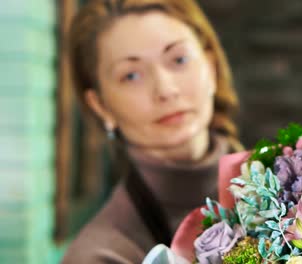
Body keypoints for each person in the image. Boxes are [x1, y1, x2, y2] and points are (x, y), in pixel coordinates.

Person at [62, 0, 243, 263]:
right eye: (131, 76)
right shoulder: (100, 255)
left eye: (179, 59)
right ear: (101, 106)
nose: (165, 90)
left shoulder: (293, 182)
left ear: (211, 67)